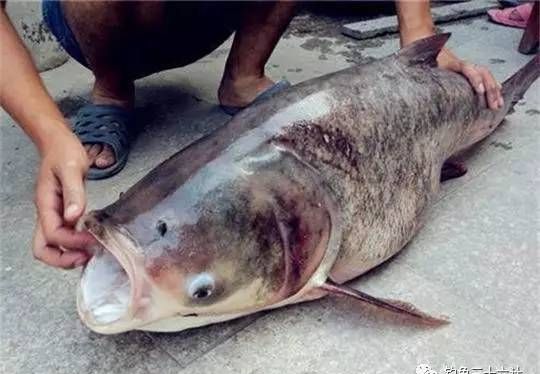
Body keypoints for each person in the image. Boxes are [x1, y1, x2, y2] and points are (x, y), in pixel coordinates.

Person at [0, 1, 503, 269]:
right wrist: (49, 132)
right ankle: (111, 92)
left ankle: (244, 76)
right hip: (99, 17)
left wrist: (418, 37)